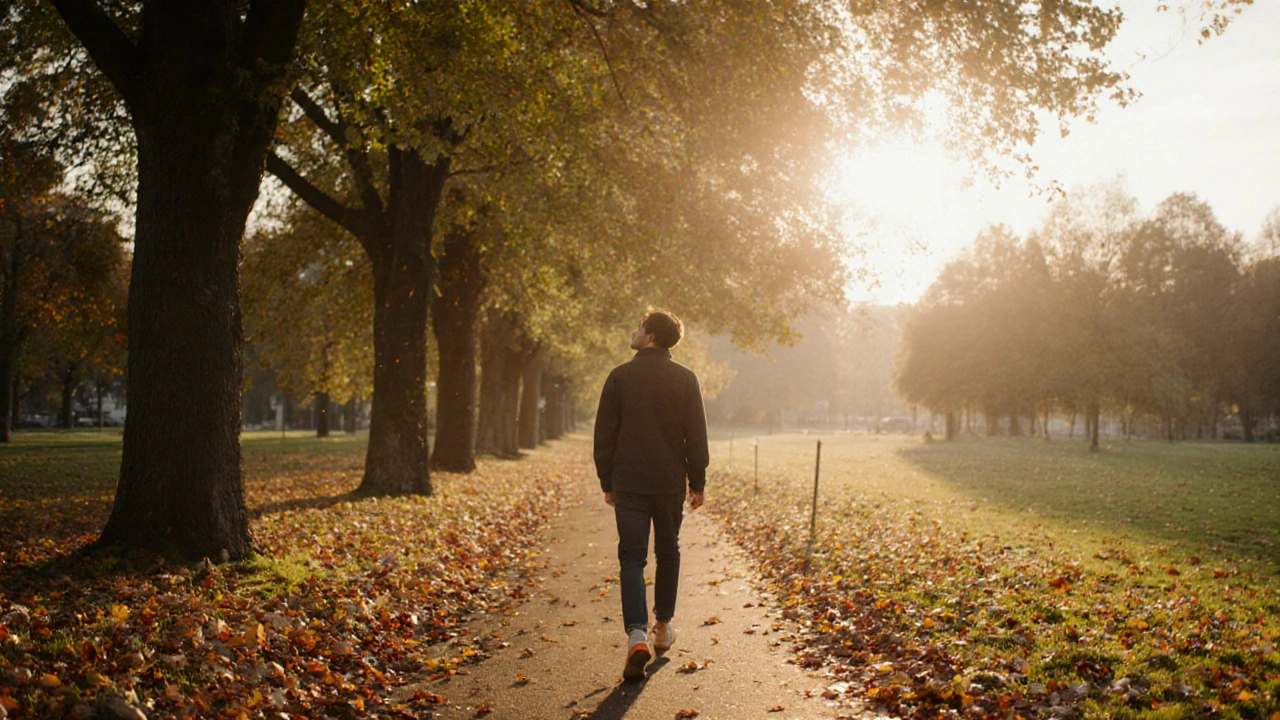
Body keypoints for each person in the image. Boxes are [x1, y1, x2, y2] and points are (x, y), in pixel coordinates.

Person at [593, 307, 709, 680]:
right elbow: (697, 435)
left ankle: (636, 635)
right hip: (668, 482)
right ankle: (663, 626)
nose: (634, 331)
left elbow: (604, 436)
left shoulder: (619, 377)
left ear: (652, 335)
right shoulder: (686, 379)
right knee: (668, 550)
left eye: (639, 326)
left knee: (631, 557)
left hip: (629, 481)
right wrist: (697, 481)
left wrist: (606, 481)